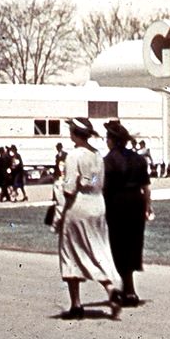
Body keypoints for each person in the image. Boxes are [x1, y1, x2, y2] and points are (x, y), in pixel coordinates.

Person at [55, 117, 122, 320]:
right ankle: (109, 287)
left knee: (70, 252)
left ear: (75, 133)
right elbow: (95, 179)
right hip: (97, 203)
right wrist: (87, 181)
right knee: (96, 247)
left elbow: (69, 188)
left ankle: (76, 303)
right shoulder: (97, 155)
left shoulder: (73, 155)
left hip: (79, 205)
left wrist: (62, 186)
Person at [103, 120, 152, 307]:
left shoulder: (108, 161)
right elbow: (146, 187)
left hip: (117, 203)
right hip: (136, 202)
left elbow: (98, 182)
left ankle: (129, 290)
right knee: (133, 244)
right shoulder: (139, 159)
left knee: (119, 246)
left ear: (112, 140)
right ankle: (128, 288)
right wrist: (148, 207)